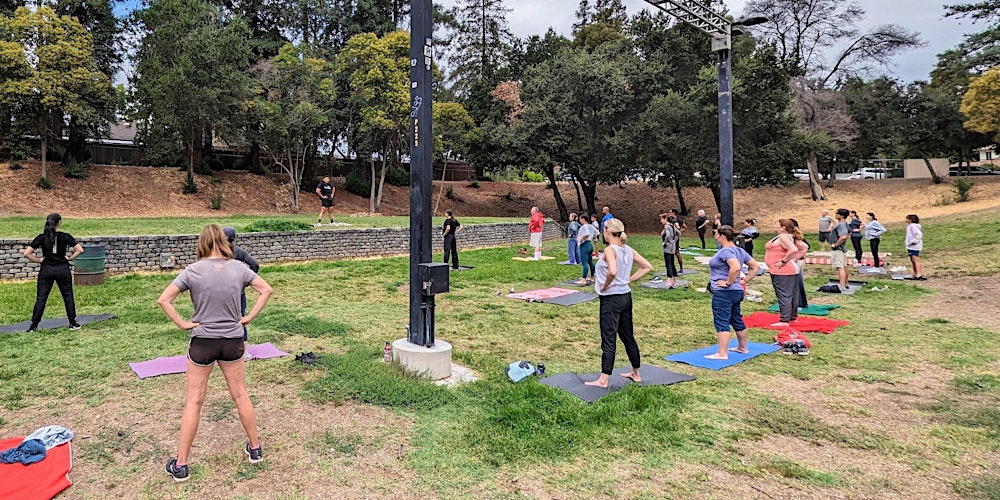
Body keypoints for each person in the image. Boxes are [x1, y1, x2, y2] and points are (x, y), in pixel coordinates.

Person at [158, 224, 273, 482]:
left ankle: (181, 465)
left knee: (194, 400)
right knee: (241, 394)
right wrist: (249, 317)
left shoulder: (192, 270)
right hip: (233, 340)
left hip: (202, 342)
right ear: (223, 241)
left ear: (201, 243)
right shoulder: (239, 267)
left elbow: (164, 299)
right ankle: (255, 450)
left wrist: (182, 323)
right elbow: (266, 289)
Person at [584, 218, 654, 387]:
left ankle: (603, 379)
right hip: (625, 297)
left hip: (611, 299)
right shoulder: (628, 249)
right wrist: (628, 280)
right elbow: (646, 267)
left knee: (608, 337)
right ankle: (636, 373)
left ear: (608, 231)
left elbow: (613, 271)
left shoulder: (610, 250)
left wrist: (604, 285)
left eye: (604, 230)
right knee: (627, 335)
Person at [705, 226, 760, 360]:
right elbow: (755, 266)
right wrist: (745, 280)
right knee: (736, 318)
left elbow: (735, 267)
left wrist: (728, 283)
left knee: (721, 320)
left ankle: (722, 353)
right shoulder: (740, 250)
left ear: (722, 236)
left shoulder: (726, 251)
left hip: (725, 292)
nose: (715, 237)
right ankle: (742, 347)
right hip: (736, 292)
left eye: (716, 234)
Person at [23, 213, 84, 332]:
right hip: (62, 269)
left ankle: (33, 325)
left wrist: (38, 260)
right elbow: (80, 249)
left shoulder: (41, 237)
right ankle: (72, 322)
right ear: (59, 223)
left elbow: (26, 253)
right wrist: (70, 258)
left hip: (46, 270)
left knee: (41, 298)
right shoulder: (65, 236)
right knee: (68, 296)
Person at [223, 227, 260, 359]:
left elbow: (255, 265)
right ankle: (244, 352)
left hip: (221, 294)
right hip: (238, 293)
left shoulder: (216, 254)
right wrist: (245, 282)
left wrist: (245, 282)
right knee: (240, 320)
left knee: (225, 320)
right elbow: (254, 265)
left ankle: (233, 351)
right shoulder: (239, 252)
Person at [765, 220, 802, 326]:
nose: (775, 226)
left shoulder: (784, 237)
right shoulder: (787, 237)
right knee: (792, 294)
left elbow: (794, 249)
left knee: (784, 294)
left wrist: (783, 261)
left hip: (783, 271)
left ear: (783, 227)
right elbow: (802, 247)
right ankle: (792, 317)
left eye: (777, 224)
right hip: (789, 269)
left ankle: (784, 320)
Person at [789, 219, 810, 308]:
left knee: (795, 283)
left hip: (797, 262)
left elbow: (805, 246)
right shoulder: (793, 236)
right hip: (798, 261)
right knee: (797, 283)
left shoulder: (794, 237)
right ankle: (799, 303)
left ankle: (797, 304)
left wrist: (794, 259)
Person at [829, 208, 851, 290]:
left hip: (838, 249)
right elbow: (849, 232)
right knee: (844, 266)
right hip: (841, 249)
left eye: (837, 213)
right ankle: (846, 283)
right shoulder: (844, 224)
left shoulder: (841, 225)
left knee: (840, 267)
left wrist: (836, 244)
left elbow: (843, 236)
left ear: (841, 215)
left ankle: (842, 286)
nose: (835, 214)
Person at [575, 213, 599, 285]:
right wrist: (592, 237)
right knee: (590, 261)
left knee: (584, 262)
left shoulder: (584, 227)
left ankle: (583, 279)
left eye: (580, 219)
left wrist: (582, 239)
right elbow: (597, 233)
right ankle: (592, 277)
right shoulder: (590, 226)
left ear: (583, 219)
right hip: (589, 244)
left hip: (584, 245)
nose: (579, 221)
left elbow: (587, 234)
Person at [659, 213, 681, 288]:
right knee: (672, 263)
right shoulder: (672, 226)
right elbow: (679, 233)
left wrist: (665, 242)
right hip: (673, 247)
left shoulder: (667, 227)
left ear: (665, 219)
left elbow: (667, 235)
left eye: (662, 219)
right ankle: (674, 280)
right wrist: (674, 241)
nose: (660, 221)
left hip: (668, 247)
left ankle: (669, 280)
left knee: (668, 263)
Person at [905, 214, 925, 280]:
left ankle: (919, 274)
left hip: (914, 246)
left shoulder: (913, 226)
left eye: (907, 218)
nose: (906, 220)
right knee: (912, 260)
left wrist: (913, 242)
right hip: (911, 246)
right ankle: (915, 273)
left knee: (915, 259)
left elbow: (918, 234)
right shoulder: (910, 226)